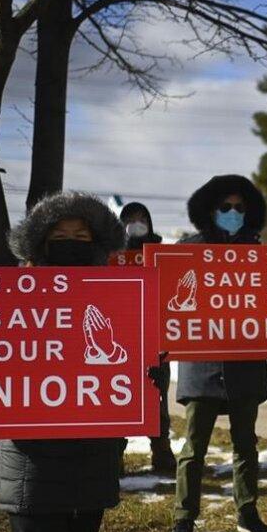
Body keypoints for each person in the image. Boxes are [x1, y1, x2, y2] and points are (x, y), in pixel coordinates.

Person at [2, 192, 167, 532]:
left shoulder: (119, 293)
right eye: (61, 235)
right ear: (40, 241)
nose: (71, 242)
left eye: (81, 235)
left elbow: (135, 350)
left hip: (94, 444)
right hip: (32, 449)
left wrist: (149, 370)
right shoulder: (7, 294)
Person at [170, 175, 267, 532]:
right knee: (193, 448)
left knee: (246, 445)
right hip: (201, 367)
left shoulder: (260, 255)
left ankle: (247, 512)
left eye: (240, 208)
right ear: (210, 210)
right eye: (225, 207)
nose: (233, 213)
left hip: (246, 365)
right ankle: (184, 518)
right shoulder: (187, 251)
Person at [118, 202, 175, 474]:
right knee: (119, 398)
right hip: (120, 341)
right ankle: (115, 455)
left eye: (142, 219)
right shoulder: (110, 255)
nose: (136, 224)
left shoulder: (161, 254)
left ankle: (161, 451)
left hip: (155, 341)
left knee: (157, 397)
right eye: (130, 219)